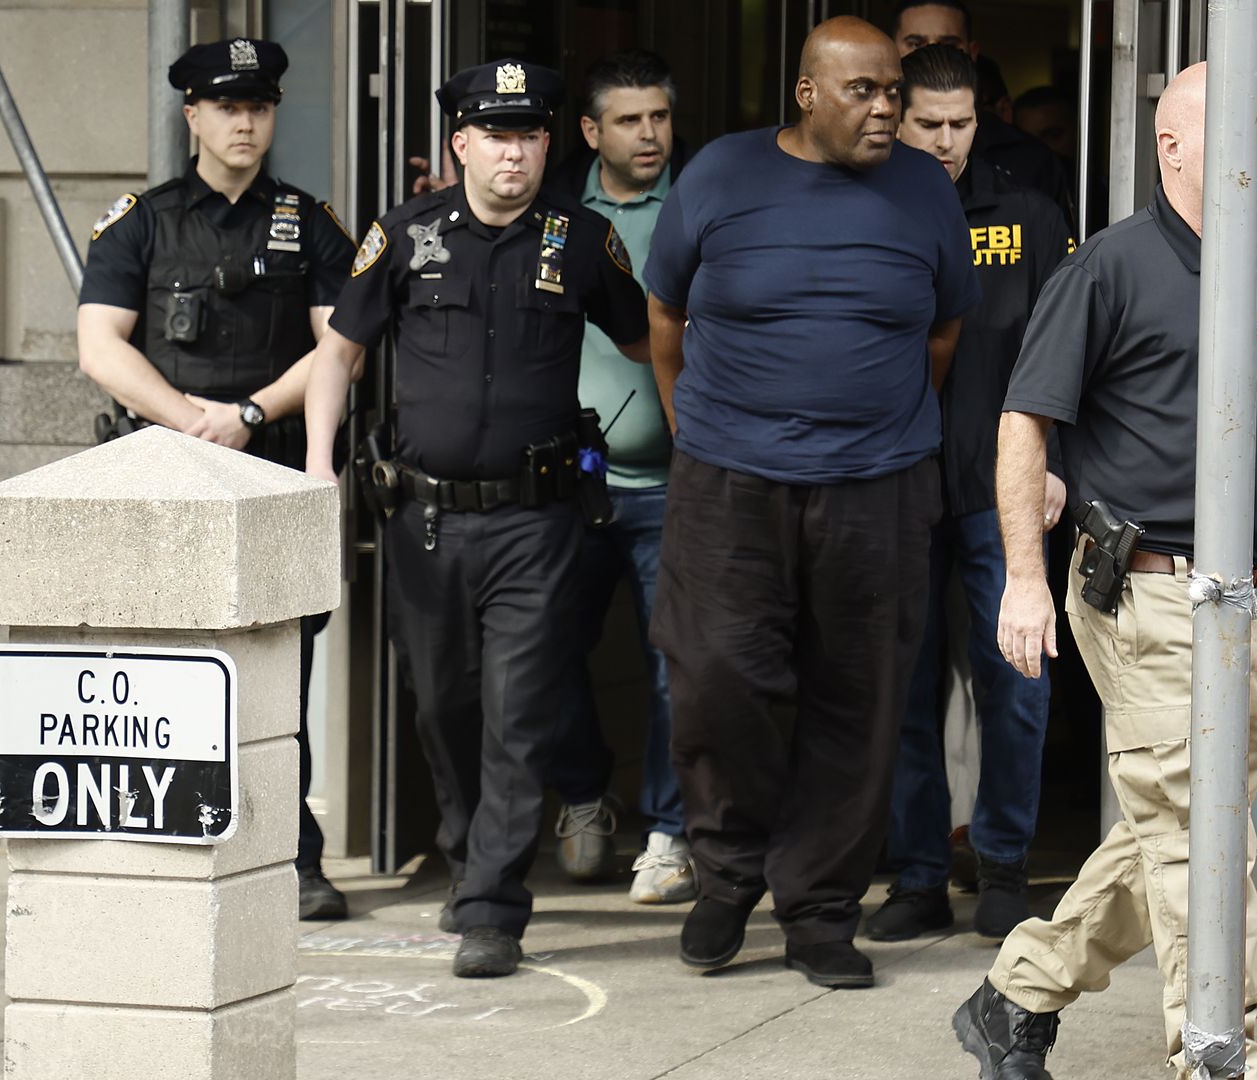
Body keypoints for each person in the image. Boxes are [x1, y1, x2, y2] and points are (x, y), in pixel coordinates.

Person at [950, 63, 1257, 1080]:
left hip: (1238, 589)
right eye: (1232, 137)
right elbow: (1023, 423)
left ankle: (1019, 993)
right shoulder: (1110, 268)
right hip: (1145, 587)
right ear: (1171, 148)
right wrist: (1024, 579)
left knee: (1181, 814)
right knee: (1203, 832)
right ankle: (1221, 1050)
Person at [643, 16, 979, 991]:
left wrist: (870, 417)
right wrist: (698, 429)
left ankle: (821, 908)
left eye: (892, 91)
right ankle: (727, 872)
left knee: (859, 695)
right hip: (728, 483)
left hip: (877, 485)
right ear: (807, 95)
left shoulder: (923, 188)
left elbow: (943, 331)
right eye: (863, 92)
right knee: (716, 676)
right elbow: (666, 316)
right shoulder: (720, 175)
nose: (885, 110)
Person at [299, 59, 650, 979]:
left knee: (517, 712)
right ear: (460, 143)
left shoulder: (582, 240)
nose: (514, 151)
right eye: (496, 134)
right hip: (424, 522)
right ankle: (469, 860)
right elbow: (338, 354)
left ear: (548, 144)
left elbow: (656, 344)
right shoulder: (403, 235)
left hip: (537, 525)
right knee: (444, 705)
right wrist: (315, 469)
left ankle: (495, 902)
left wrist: (693, 458)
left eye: (530, 134)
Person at [74, 37, 356, 922]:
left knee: (282, 672)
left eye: (260, 107)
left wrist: (249, 415)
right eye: (228, 107)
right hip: (166, 471)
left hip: (266, 466)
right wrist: (187, 418)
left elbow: (336, 348)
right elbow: (98, 346)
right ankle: (160, 843)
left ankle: (295, 856)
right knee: (157, 670)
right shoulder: (143, 222)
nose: (245, 122)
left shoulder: (308, 221)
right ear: (191, 115)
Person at [867, 44, 1072, 947]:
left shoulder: (1026, 212)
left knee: (1016, 681)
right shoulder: (863, 202)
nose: (946, 143)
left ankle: (1001, 868)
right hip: (894, 484)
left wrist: (1058, 459)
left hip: (1002, 485)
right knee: (901, 686)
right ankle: (914, 875)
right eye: (928, 125)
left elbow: (1064, 349)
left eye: (961, 126)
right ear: (896, 116)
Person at [536, 50, 697, 903]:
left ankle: (670, 833)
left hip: (674, 483)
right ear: (592, 131)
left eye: (659, 118)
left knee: (676, 659)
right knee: (546, 647)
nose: (648, 134)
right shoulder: (553, 214)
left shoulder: (702, 208)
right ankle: (582, 794)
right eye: (629, 120)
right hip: (570, 484)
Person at [889, 1, 1072, 221]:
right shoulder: (864, 191)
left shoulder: (1030, 193)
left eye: (960, 124)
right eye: (916, 44)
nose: (945, 141)